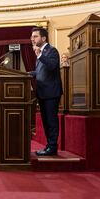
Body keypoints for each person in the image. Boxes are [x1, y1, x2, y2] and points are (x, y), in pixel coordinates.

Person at [28, 27, 63, 156]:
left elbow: (52, 66)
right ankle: (49, 146)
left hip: (51, 93)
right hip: (42, 93)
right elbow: (39, 73)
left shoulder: (52, 51)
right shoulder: (41, 53)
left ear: (43, 38)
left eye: (35, 36)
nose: (32, 39)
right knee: (46, 122)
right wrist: (25, 74)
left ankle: (52, 147)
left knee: (51, 121)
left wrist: (40, 55)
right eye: (32, 36)